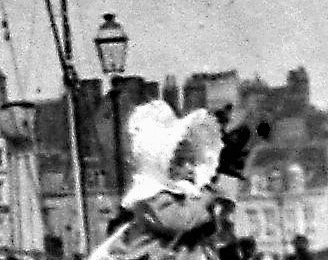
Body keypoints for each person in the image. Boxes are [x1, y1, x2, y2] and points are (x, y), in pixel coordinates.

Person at [88, 101, 252, 260]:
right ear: (162, 166)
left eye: (191, 161)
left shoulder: (182, 194)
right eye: (180, 162)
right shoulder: (154, 198)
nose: (189, 168)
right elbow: (181, 221)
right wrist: (208, 199)